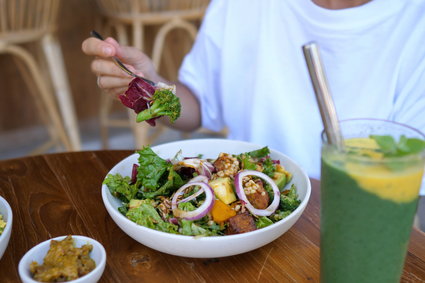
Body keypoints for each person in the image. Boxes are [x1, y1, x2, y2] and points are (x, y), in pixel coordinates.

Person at [82, 0, 425, 196]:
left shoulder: (414, 24)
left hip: (346, 225)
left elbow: (406, 199)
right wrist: (153, 88)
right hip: (236, 219)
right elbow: (200, 107)